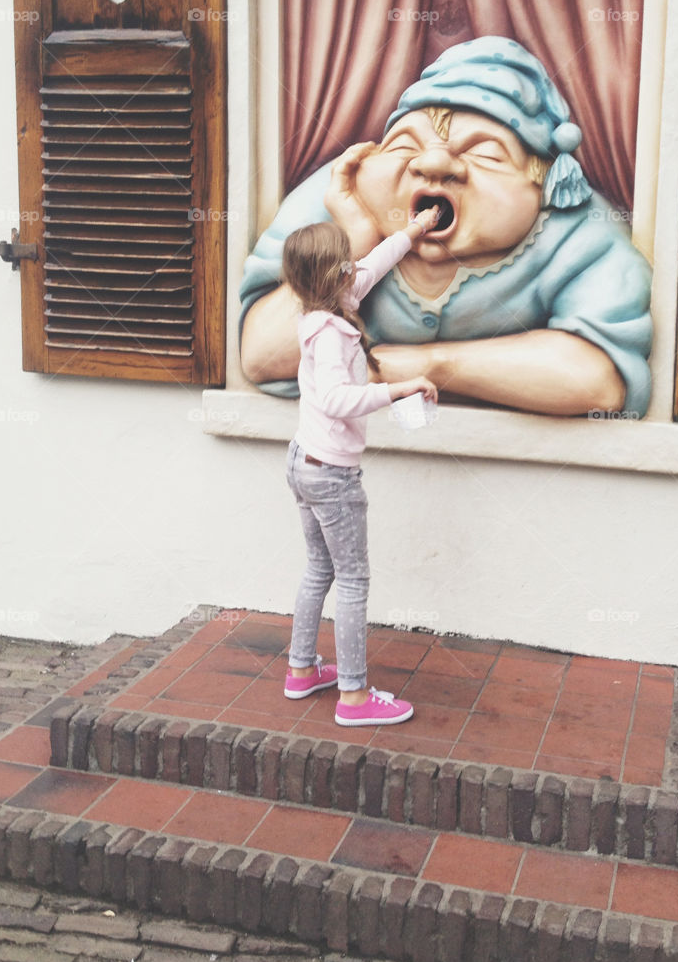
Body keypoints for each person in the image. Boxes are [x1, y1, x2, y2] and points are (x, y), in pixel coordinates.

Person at [239, 37, 653, 420]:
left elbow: (598, 380)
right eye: (405, 144)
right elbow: (262, 356)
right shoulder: (340, 193)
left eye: (485, 153)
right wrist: (350, 245)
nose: (433, 164)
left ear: (542, 181)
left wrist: (418, 365)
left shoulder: (577, 227)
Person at [280, 208, 439, 726]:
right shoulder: (330, 335)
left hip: (305, 461)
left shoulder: (325, 309)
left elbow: (373, 265)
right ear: (331, 275)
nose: (354, 264)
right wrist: (402, 387)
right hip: (331, 475)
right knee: (351, 580)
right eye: (343, 260)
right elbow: (335, 398)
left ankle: (301, 671)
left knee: (318, 569)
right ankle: (353, 697)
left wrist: (413, 232)